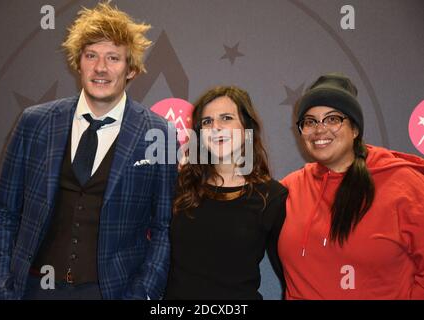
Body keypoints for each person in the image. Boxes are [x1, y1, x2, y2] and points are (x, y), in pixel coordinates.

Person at [0, 2, 177, 300]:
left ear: (132, 70)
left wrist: (141, 294)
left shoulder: (159, 133)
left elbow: (164, 228)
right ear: (78, 63)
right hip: (34, 289)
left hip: (112, 292)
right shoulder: (35, 122)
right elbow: (2, 211)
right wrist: (1, 287)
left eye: (113, 58)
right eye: (92, 56)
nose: (101, 68)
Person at [279, 72, 424, 299]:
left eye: (333, 119)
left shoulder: (404, 183)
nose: (319, 129)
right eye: (310, 121)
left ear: (355, 129)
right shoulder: (291, 187)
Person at [164, 86, 288, 300]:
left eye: (226, 118)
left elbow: (292, 273)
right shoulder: (178, 186)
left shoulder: (271, 196)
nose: (216, 128)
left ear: (247, 128)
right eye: (207, 122)